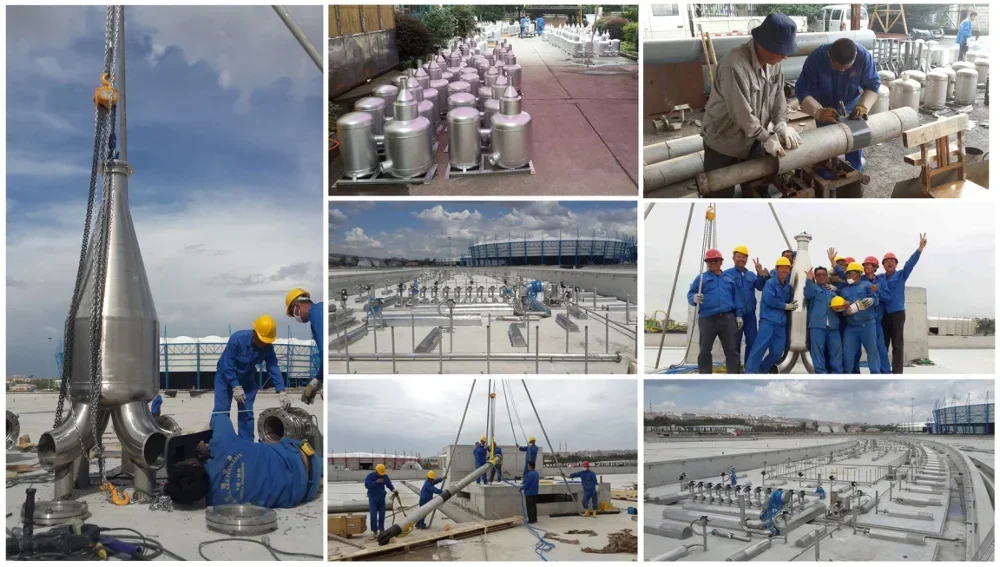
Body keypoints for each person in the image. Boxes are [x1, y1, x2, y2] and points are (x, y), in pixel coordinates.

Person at [700, 13, 802, 197]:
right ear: (764, 45)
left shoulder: (774, 63)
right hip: (724, 142)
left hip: (754, 141)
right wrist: (766, 137)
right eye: (782, 51)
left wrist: (781, 124)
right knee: (719, 196)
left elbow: (778, 96)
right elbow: (742, 115)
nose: (785, 56)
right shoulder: (734, 66)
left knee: (757, 189)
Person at [162, 413, 321, 509]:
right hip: (306, 457)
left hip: (304, 494)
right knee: (267, 444)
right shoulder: (223, 445)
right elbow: (220, 417)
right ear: (192, 463)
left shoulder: (216, 503)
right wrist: (205, 437)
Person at [796, 38, 881, 172]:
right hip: (823, 106)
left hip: (852, 104)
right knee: (825, 144)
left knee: (855, 139)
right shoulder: (817, 58)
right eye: (837, 67)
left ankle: (854, 173)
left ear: (855, 57)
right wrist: (818, 112)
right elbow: (802, 90)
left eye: (846, 68)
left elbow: (873, 85)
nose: (841, 71)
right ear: (829, 55)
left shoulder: (863, 56)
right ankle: (824, 173)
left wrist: (863, 106)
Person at [214, 315, 290, 441]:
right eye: (262, 340)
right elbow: (227, 365)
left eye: (267, 341)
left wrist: (281, 391)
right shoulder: (238, 339)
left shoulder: (267, 347)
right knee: (221, 412)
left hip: (247, 379)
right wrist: (235, 386)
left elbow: (272, 366)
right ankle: (220, 441)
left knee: (246, 412)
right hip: (225, 378)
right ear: (255, 333)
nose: (264, 344)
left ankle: (246, 443)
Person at [688, 249, 743, 374]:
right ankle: (705, 375)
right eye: (710, 261)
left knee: (732, 350)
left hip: (727, 319)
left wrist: (739, 316)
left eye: (716, 261)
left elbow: (736, 299)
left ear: (721, 262)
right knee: (704, 350)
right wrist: (694, 298)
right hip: (708, 319)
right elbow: (691, 294)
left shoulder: (729, 279)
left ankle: (733, 376)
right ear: (706, 263)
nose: (713, 263)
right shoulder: (701, 278)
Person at [881, 235, 927, 373]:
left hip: (897, 314)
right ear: (883, 265)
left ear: (896, 264)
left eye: (892, 261)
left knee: (897, 345)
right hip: (883, 314)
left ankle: (896, 372)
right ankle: (883, 370)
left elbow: (910, 263)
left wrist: (920, 248)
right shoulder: (879, 278)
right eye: (887, 261)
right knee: (882, 344)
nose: (889, 263)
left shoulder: (901, 275)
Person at [745, 257, 796, 373]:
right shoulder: (770, 283)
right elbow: (769, 300)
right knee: (759, 349)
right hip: (768, 322)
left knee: (778, 352)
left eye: (787, 268)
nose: (784, 270)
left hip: (781, 324)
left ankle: (761, 370)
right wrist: (785, 306)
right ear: (776, 269)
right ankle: (750, 373)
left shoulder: (788, 286)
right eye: (782, 268)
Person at [724, 245, 765, 368]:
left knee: (752, 342)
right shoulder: (727, 274)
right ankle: (734, 371)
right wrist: (737, 314)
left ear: (747, 259)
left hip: (750, 316)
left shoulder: (751, 275)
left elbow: (760, 286)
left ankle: (749, 368)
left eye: (744, 257)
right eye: (739, 257)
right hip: (734, 315)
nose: (741, 259)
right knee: (734, 344)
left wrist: (760, 274)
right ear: (733, 258)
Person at [839, 262, 881, 374]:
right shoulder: (844, 291)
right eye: (847, 273)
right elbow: (841, 310)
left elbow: (876, 300)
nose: (848, 275)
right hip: (851, 327)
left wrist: (872, 300)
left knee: (872, 352)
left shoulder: (867, 285)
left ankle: (876, 376)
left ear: (859, 274)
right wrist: (845, 311)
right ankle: (847, 376)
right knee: (847, 354)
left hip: (868, 325)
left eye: (851, 273)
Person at [286, 288, 324, 405]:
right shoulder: (319, 310)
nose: (296, 318)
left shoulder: (317, 314)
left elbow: (325, 352)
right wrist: (315, 383)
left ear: (296, 307)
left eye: (293, 314)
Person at [803, 267, 844, 374]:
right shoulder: (813, 289)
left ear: (827, 276)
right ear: (815, 277)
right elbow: (808, 293)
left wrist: (836, 290)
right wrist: (808, 279)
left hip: (833, 326)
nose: (821, 276)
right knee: (817, 353)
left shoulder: (833, 291)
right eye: (819, 275)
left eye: (824, 274)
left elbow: (841, 302)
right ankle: (821, 374)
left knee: (836, 353)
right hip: (817, 326)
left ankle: (837, 374)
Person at [857, 256, 892, 374]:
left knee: (880, 348)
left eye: (869, 265)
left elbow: (888, 298)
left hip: (877, 320)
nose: (866, 267)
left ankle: (885, 372)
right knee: (860, 350)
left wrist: (878, 291)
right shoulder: (859, 280)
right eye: (865, 265)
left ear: (875, 267)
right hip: (862, 321)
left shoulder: (881, 282)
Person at [364, 464, 398, 538]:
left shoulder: (384, 476)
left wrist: (393, 489)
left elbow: (389, 484)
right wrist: (376, 482)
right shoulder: (370, 476)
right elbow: (367, 485)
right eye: (380, 473)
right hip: (373, 499)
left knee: (382, 515)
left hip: (381, 498)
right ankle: (375, 531)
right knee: (373, 515)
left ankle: (381, 530)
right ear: (376, 471)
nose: (381, 475)